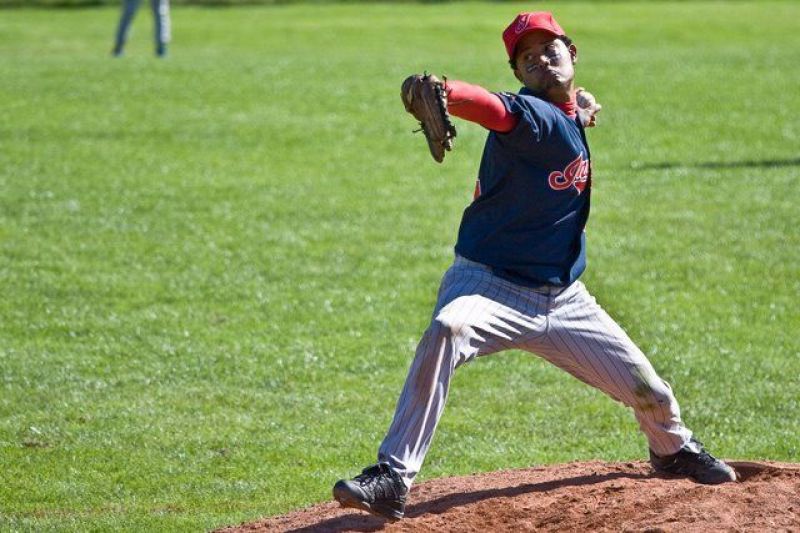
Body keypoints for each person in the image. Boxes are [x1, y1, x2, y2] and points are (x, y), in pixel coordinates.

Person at [333, 11, 736, 522]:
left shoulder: (566, 112)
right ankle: (393, 476)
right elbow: (495, 109)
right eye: (527, 57)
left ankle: (671, 450)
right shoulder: (530, 115)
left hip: (565, 301)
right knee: (448, 328)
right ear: (519, 73)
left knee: (650, 392)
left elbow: (567, 112)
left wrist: (580, 108)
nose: (541, 59)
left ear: (573, 52)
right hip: (489, 286)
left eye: (550, 49)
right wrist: (446, 92)